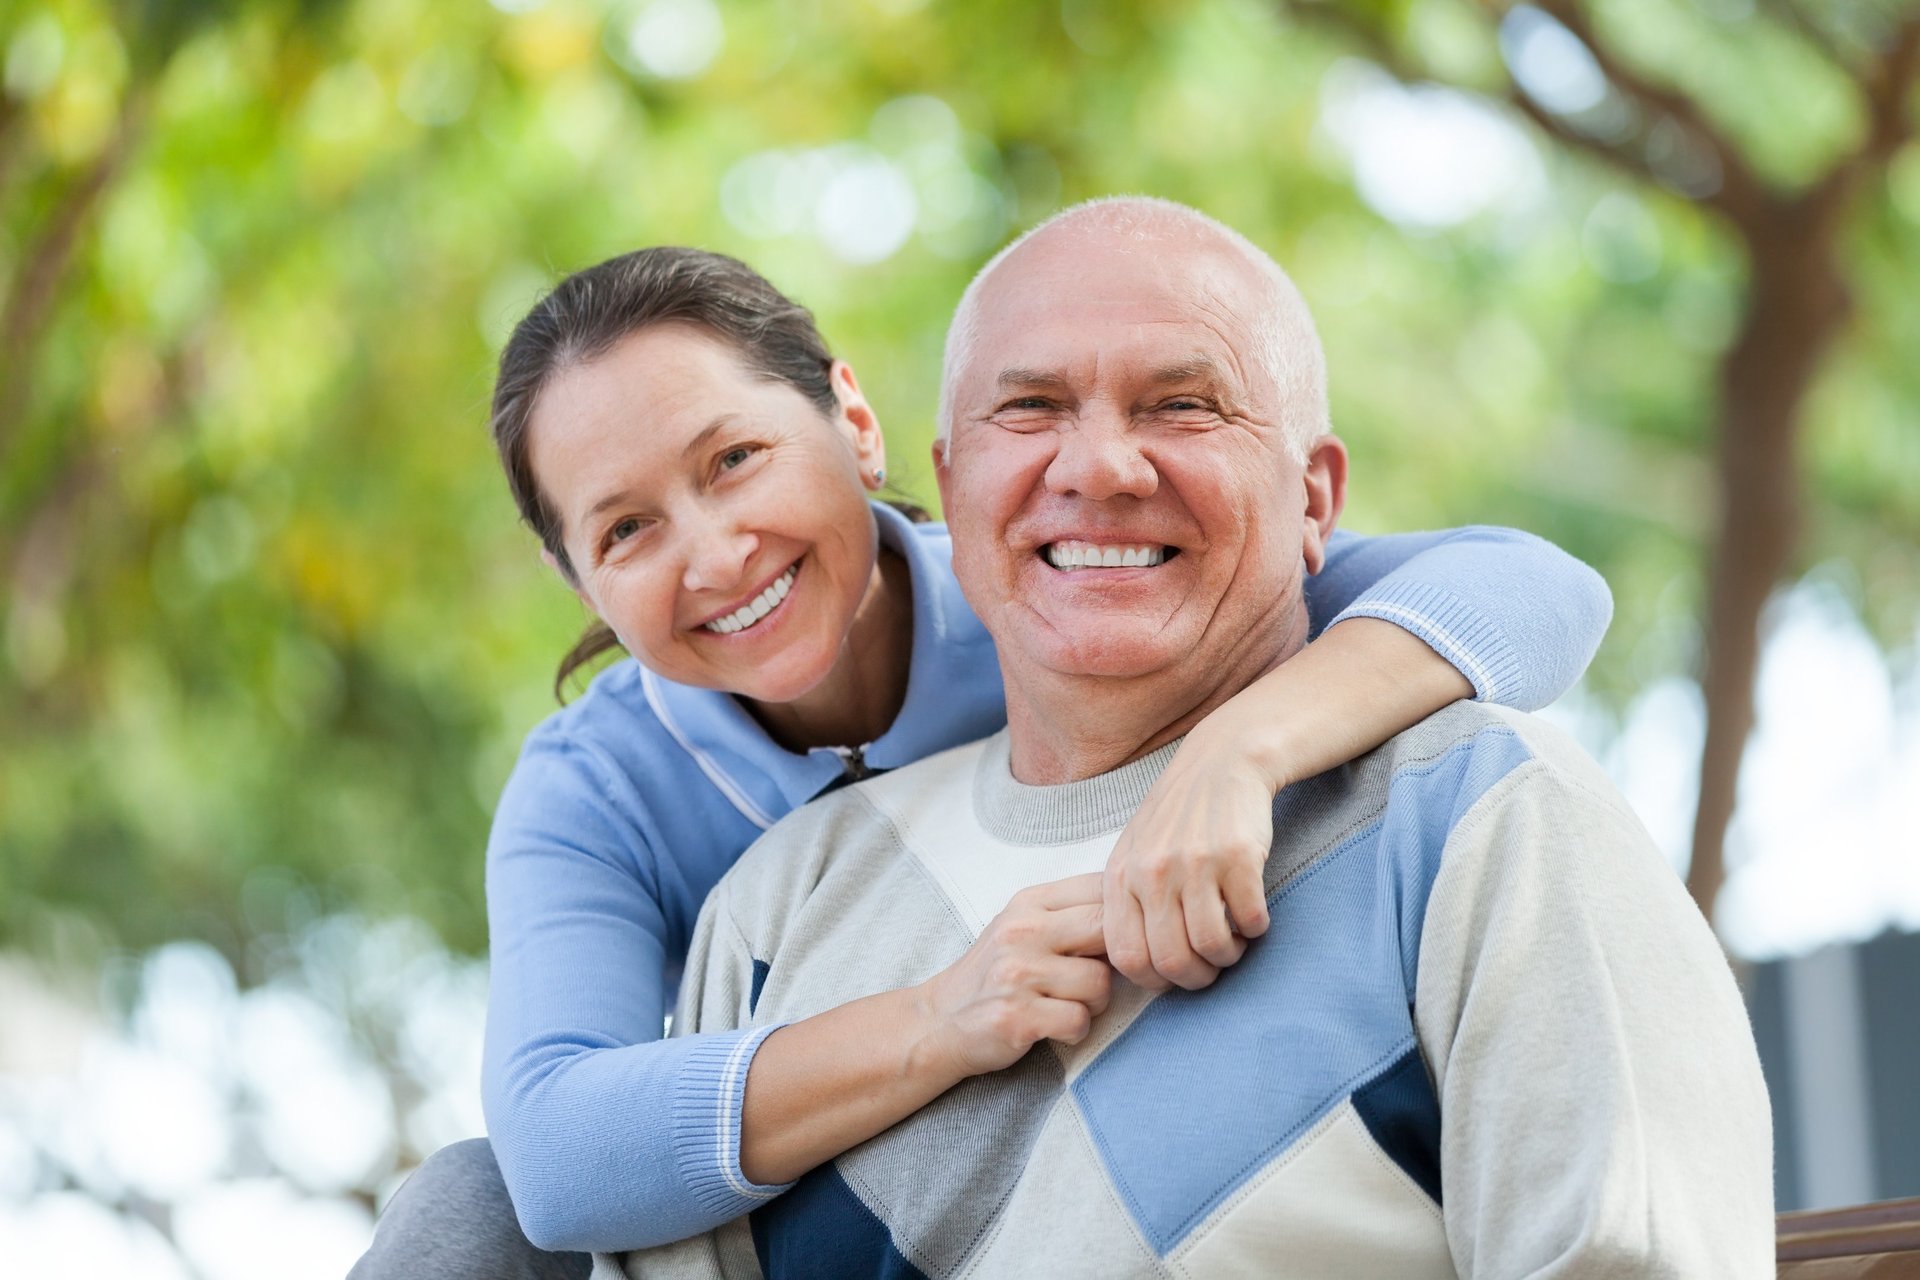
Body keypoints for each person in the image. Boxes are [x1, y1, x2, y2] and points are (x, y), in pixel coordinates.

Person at [351, 238, 1613, 1277]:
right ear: (573, 574)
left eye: (735, 460)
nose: (718, 553)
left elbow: (1529, 587)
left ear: (854, 422)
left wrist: (1240, 750)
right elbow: (560, 1154)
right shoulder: (596, 786)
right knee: (462, 1210)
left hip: (1149, 1140)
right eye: (627, 529)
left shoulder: (1062, 585)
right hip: (844, 1189)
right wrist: (938, 1017)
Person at [602, 198, 1773, 1279]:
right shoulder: (779, 909)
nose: (1102, 466)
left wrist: (1244, 752)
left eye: (1183, 403)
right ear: (952, 493)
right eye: (1032, 406)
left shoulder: (1478, 817)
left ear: (1315, 498)